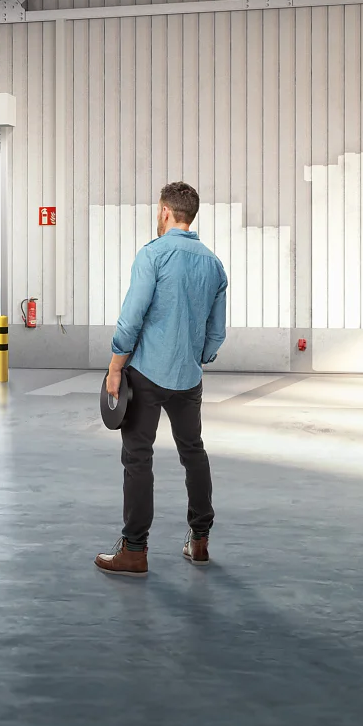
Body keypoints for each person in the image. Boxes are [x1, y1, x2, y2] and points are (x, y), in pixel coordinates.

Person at [95, 181, 228, 577]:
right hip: (188, 376)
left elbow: (132, 316)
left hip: (147, 373)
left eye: (158, 211)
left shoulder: (153, 254)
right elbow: (216, 332)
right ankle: (199, 540)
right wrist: (196, 356)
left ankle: (135, 551)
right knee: (193, 451)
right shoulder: (214, 263)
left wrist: (115, 367)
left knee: (138, 457)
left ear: (165, 211)